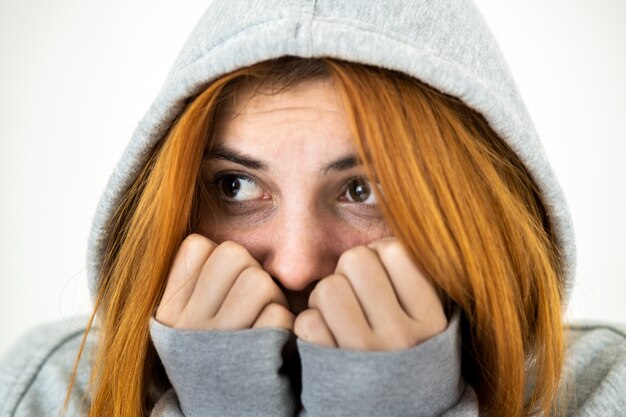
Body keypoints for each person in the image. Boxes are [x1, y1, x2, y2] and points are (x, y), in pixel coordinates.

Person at [1, 1, 625, 416]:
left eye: (363, 191)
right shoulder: (52, 389)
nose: (297, 266)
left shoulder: (604, 388)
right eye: (236, 187)